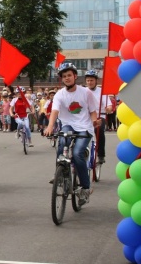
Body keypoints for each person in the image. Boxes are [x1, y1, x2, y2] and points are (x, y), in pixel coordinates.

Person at [44, 63, 101, 205]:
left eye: (69, 75)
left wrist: (94, 122)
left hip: (84, 127)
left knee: (77, 154)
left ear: (75, 76)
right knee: (62, 141)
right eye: (64, 76)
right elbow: (55, 112)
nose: (67, 78)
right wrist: (50, 126)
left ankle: (85, 188)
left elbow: (93, 111)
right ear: (62, 79)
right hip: (68, 125)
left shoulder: (85, 92)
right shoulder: (59, 95)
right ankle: (61, 173)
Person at [84, 70, 112, 164]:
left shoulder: (103, 92)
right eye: (88, 80)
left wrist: (108, 108)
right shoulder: (83, 91)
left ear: (96, 81)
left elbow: (109, 105)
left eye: (91, 80)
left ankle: (101, 155)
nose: (89, 82)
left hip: (100, 116)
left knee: (99, 131)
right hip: (85, 117)